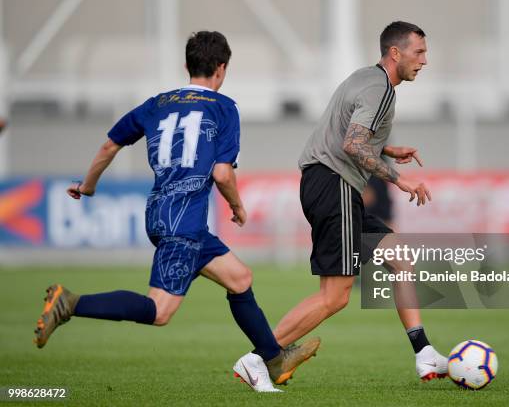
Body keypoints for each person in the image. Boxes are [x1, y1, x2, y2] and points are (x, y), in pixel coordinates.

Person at [33, 31, 319, 393]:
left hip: (162, 212)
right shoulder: (223, 107)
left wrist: (88, 186)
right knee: (160, 311)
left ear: (187, 66)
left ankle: (273, 359)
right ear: (222, 68)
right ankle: (70, 303)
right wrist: (237, 205)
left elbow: (110, 144)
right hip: (182, 221)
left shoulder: (157, 103)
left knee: (239, 278)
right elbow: (222, 172)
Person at [273, 21, 448, 381]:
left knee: (399, 258)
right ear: (395, 53)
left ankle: (424, 352)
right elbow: (351, 145)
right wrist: (398, 180)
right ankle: (262, 355)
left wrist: (385, 148)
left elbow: (345, 131)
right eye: (419, 52)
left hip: (330, 183)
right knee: (335, 296)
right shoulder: (380, 88)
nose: (424, 60)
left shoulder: (364, 78)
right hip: (333, 182)